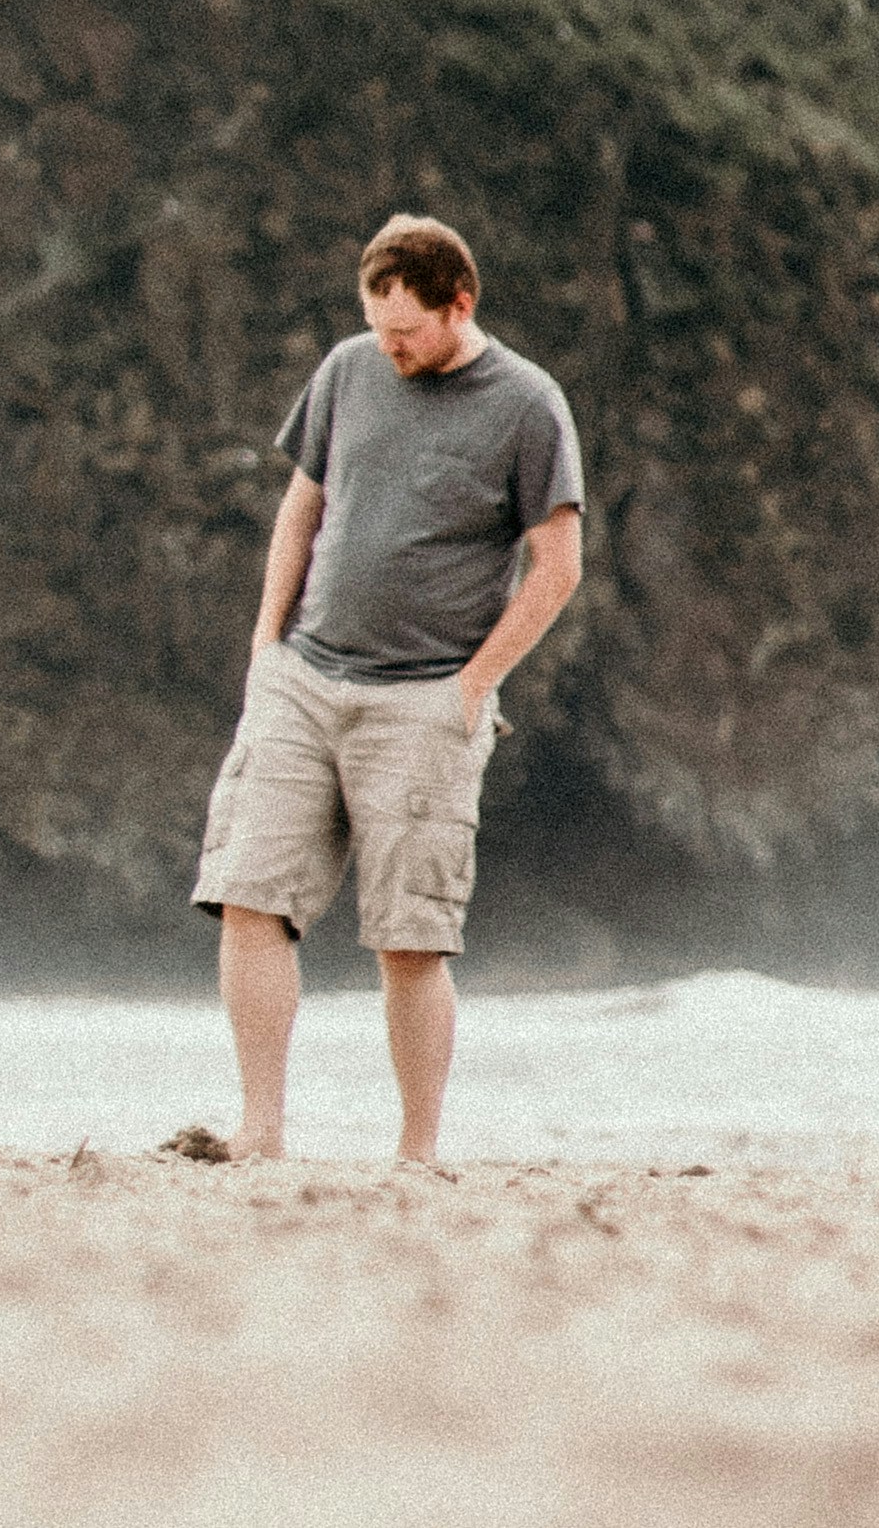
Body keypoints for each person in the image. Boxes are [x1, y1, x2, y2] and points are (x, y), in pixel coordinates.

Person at [191, 213, 584, 1163]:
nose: (389, 348)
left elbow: (558, 566)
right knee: (250, 896)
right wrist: (263, 644)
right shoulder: (347, 371)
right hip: (303, 675)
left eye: (406, 331)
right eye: (377, 327)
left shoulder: (528, 405)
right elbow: (302, 508)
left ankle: (415, 1150)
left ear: (461, 303)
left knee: (409, 937)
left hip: (426, 699)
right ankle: (261, 1131)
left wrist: (474, 686)